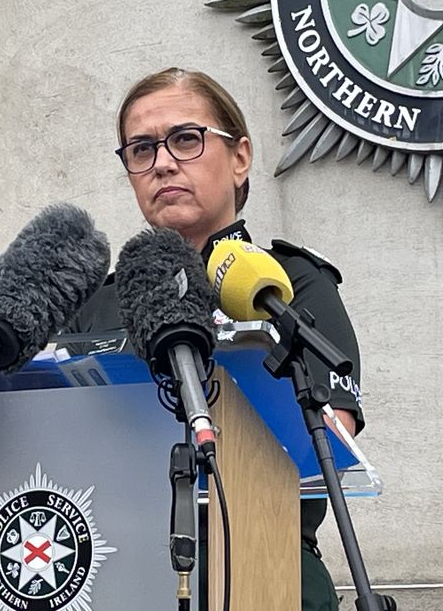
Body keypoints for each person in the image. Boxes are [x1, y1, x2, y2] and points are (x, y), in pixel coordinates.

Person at [71, 67, 364, 610]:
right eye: (140, 149)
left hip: (263, 557)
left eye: (186, 139)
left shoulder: (291, 285)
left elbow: (327, 440)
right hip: (109, 568)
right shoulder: (94, 308)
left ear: (240, 157)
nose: (162, 162)